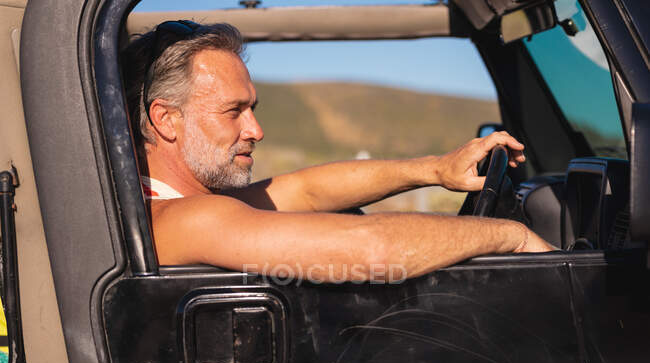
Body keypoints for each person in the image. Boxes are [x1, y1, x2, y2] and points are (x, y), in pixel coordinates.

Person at [122, 21, 553, 284]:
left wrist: (436, 170)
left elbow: (307, 191)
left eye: (252, 109)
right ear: (165, 119)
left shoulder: (181, 204)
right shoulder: (186, 219)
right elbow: (373, 252)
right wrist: (509, 237)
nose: (256, 129)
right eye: (234, 111)